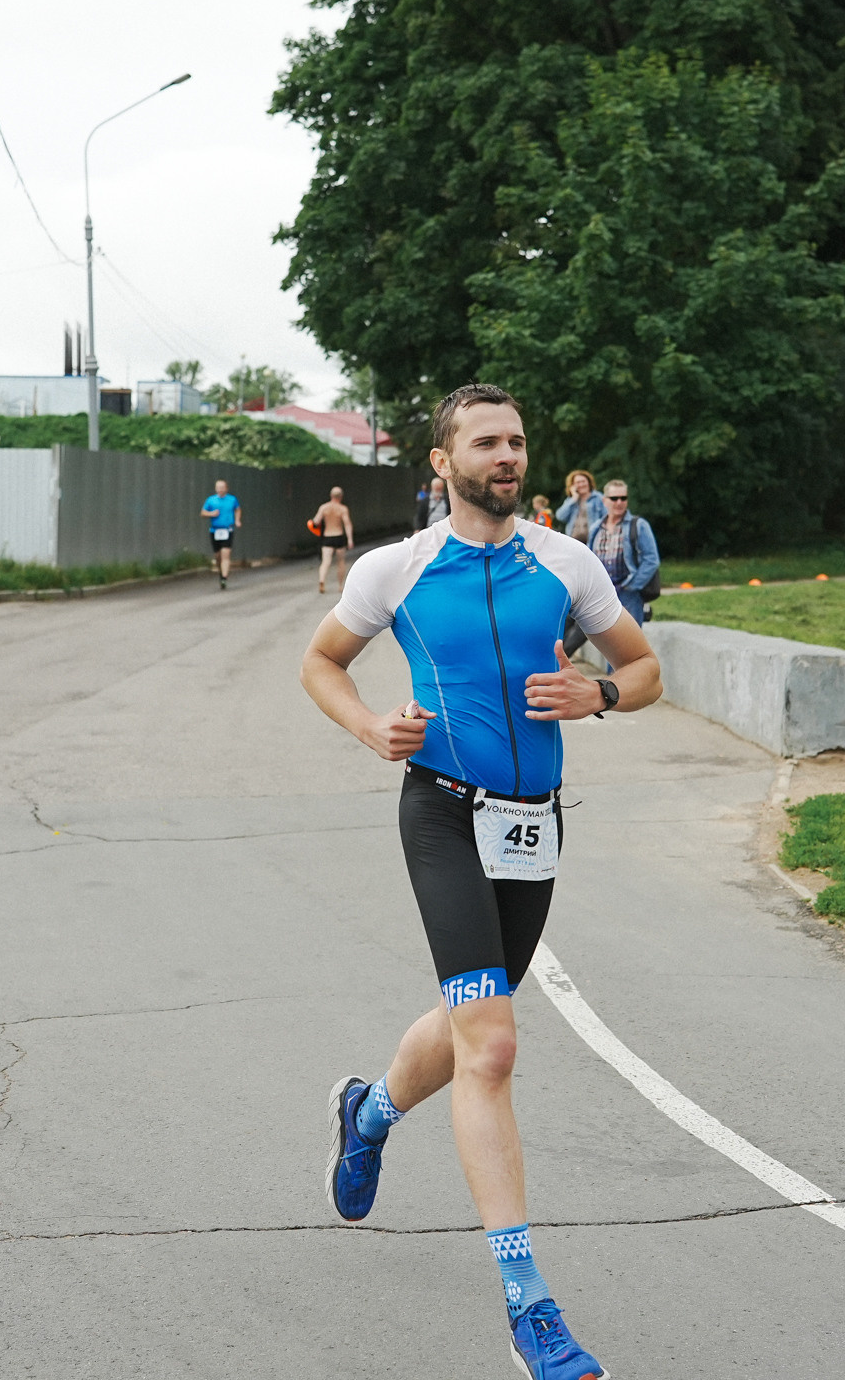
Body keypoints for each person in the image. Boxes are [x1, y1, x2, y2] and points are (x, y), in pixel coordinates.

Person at [301, 383, 661, 1380]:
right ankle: (528, 1303)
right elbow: (321, 663)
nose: (508, 454)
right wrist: (373, 725)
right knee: (493, 1043)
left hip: (531, 828)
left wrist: (598, 692)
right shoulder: (398, 568)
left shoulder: (568, 559)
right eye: (487, 441)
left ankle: (368, 1113)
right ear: (443, 461)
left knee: (475, 1019)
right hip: (443, 812)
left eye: (518, 439)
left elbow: (644, 668)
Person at [590, 480, 662, 625]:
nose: (619, 502)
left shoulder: (639, 525)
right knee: (606, 642)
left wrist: (632, 585)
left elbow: (651, 559)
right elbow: (589, 559)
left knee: (631, 642)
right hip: (603, 594)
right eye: (614, 498)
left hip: (628, 592)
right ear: (605, 501)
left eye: (623, 498)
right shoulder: (596, 528)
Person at [312, 486, 355, 593]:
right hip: (339, 537)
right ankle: (340, 586)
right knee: (340, 562)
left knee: (326, 561)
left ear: (331, 496)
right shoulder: (343, 509)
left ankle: (322, 580)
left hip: (327, 537)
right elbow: (347, 524)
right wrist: (350, 539)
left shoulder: (324, 507)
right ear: (341, 497)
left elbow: (316, 521)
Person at [201, 479, 240, 589]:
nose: (220, 489)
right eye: (218, 487)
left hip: (227, 530)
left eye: (222, 487)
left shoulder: (232, 499)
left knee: (225, 554)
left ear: (226, 488)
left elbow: (238, 510)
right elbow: (203, 513)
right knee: (218, 556)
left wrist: (237, 520)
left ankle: (224, 577)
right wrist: (211, 513)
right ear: (215, 488)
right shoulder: (211, 500)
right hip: (215, 531)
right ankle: (221, 572)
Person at [553, 470, 601, 542]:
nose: (581, 484)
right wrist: (574, 498)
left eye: (583, 481)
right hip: (574, 541)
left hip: (593, 540)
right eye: (578, 482)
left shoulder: (599, 498)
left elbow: (606, 517)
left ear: (589, 482)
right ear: (573, 485)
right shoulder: (571, 500)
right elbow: (560, 516)